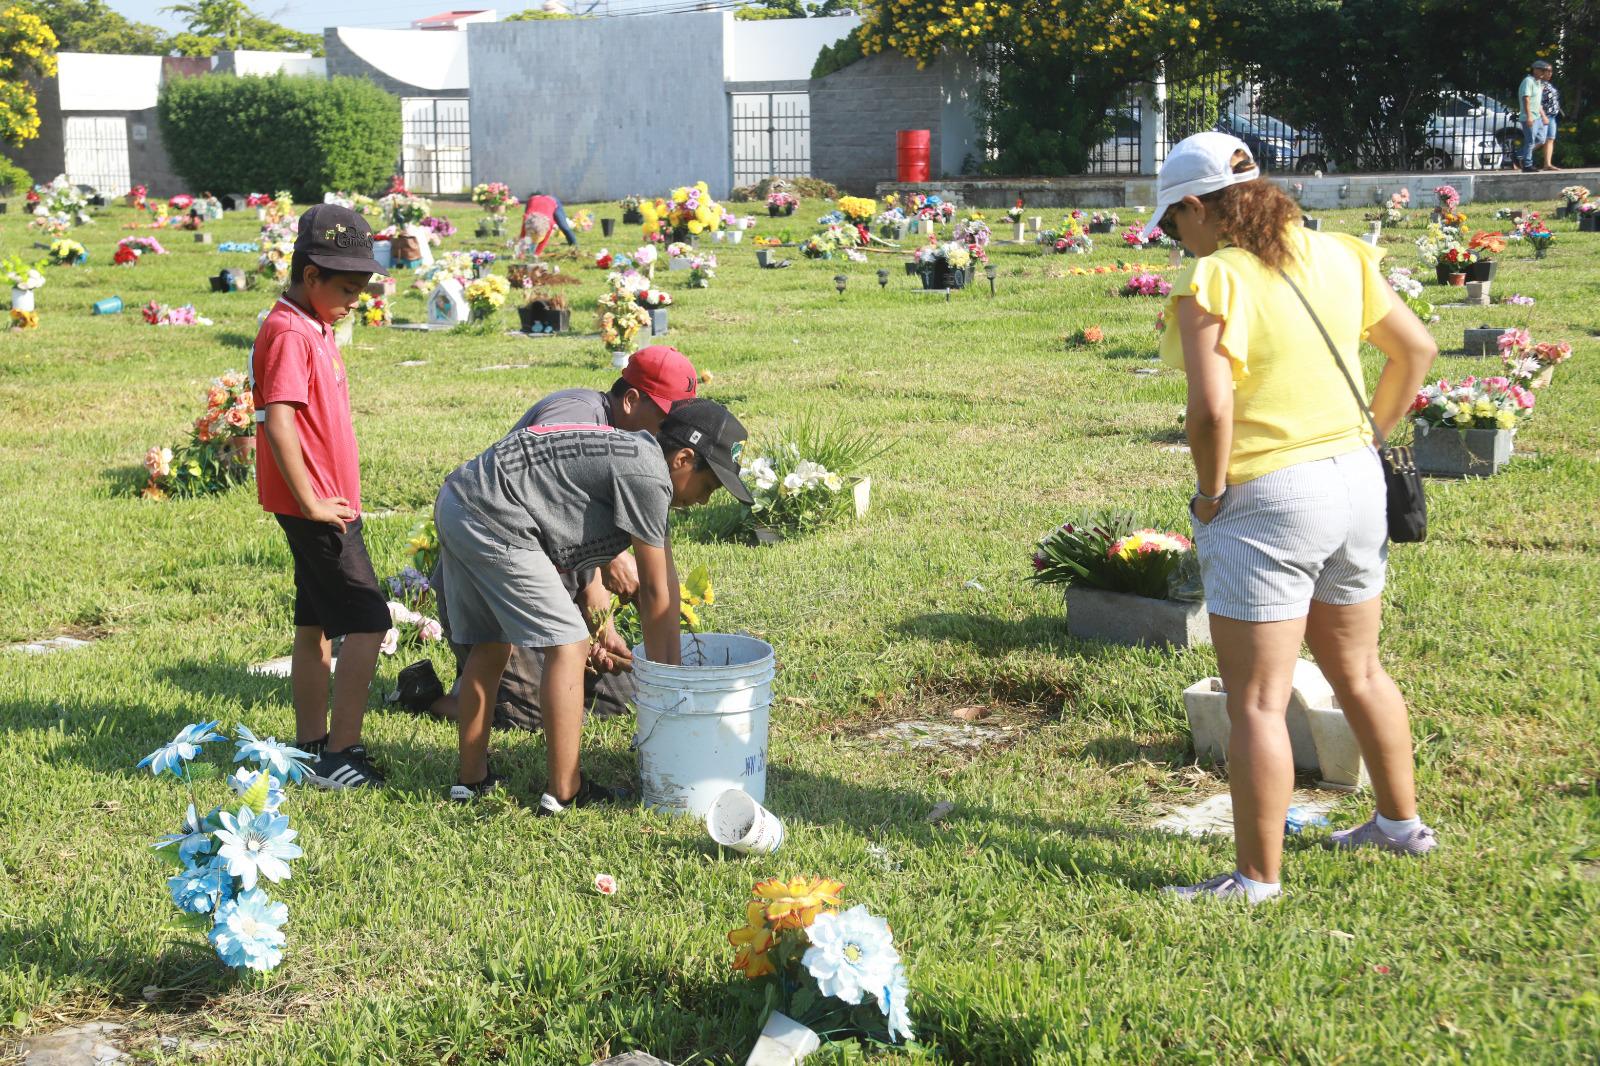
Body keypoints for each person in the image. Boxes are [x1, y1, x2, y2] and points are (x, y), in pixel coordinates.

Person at [1148, 132, 1441, 903]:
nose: (1176, 239)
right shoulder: (1341, 253)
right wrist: (1370, 436)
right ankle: (1400, 823)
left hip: (1269, 496)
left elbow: (1211, 411)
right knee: (1361, 670)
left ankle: (1255, 879)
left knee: (1256, 701)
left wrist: (1210, 494)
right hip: (1356, 483)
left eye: (1173, 223)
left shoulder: (1214, 277)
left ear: (1195, 207)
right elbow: (1415, 349)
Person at [433, 398, 753, 810]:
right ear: (683, 459)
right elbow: (655, 591)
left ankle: (471, 781)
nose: (706, 500)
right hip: (495, 514)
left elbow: (665, 578)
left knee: (491, 642)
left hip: (461, 497)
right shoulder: (649, 475)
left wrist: (660, 665)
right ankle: (565, 792)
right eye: (708, 486)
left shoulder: (636, 455)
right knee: (569, 643)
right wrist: (669, 687)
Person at [392, 345, 701, 723]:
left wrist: (601, 630)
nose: (671, 435)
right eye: (665, 420)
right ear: (631, 400)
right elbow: (534, 499)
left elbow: (582, 547)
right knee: (534, 709)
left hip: (552, 588)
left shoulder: (634, 457)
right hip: (497, 580)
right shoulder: (577, 416)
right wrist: (615, 560)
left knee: (621, 695)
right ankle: (432, 697)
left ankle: (523, 677)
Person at [252, 204, 390, 789]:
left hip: (321, 501)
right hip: (319, 508)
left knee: (314, 622)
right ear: (311, 276)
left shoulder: (314, 323)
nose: (356, 299)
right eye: (348, 288)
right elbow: (278, 419)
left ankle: (310, 744)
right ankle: (340, 755)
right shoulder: (290, 332)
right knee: (369, 621)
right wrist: (311, 501)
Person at [519, 191, 580, 256]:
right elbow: (522, 236)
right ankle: (529, 250)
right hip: (533, 200)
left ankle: (575, 248)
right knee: (530, 236)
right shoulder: (527, 219)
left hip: (552, 201)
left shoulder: (549, 223)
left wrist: (536, 254)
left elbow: (544, 241)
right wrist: (521, 253)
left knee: (565, 228)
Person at [1517, 60, 1549, 171]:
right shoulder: (1528, 81)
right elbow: (1526, 99)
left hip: (1538, 117)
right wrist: (1529, 116)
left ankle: (1519, 155)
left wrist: (1543, 116)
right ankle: (1527, 165)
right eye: (1542, 70)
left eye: (1545, 71)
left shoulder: (1538, 82)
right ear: (1535, 70)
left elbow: (1537, 102)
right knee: (1530, 141)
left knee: (1541, 139)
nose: (1544, 73)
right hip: (1529, 116)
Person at [1537, 61, 1562, 172]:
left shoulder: (1548, 84)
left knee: (1550, 139)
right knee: (1540, 140)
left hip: (1552, 115)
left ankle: (1547, 164)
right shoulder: (1539, 84)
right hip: (1544, 115)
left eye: (1551, 71)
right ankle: (1519, 155)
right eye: (1547, 71)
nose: (1550, 73)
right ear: (1542, 72)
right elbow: (1537, 101)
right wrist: (1543, 116)